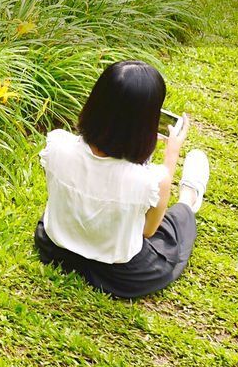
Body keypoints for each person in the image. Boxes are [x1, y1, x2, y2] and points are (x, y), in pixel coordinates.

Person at [33, 60, 210, 298]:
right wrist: (171, 156)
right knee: (173, 228)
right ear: (146, 124)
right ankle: (188, 199)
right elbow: (148, 231)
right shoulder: (149, 180)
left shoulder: (57, 144)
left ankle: (185, 201)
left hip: (55, 248)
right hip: (120, 272)